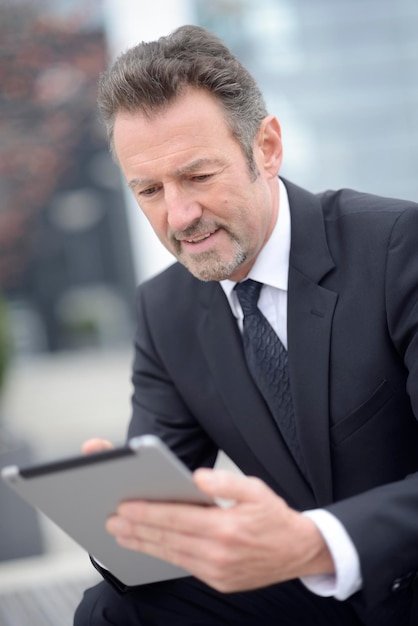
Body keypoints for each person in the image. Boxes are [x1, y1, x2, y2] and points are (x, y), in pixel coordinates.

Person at [74, 24, 418, 626]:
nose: (178, 215)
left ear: (267, 148)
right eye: (149, 190)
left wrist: (314, 543)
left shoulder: (397, 249)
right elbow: (157, 518)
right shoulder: (166, 310)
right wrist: (116, 515)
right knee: (112, 609)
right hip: (309, 596)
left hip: (404, 573)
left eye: (198, 176)